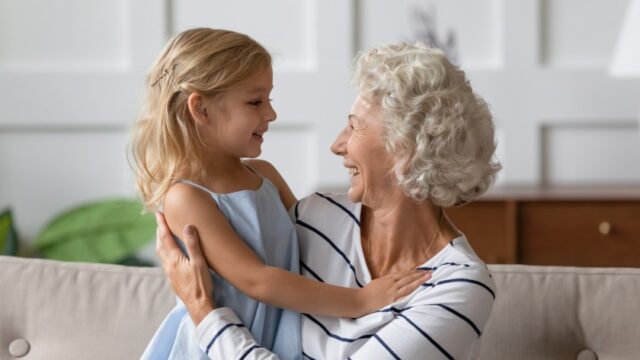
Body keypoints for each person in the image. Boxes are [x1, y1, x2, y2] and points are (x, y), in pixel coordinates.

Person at [155, 41, 502, 359]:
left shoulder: (457, 286)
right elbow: (251, 275)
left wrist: (207, 314)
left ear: (405, 149)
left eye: (354, 126)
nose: (337, 145)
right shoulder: (316, 216)